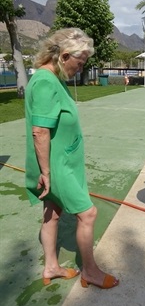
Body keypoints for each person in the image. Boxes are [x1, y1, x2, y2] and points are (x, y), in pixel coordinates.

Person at [25, 28, 119, 289]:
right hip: (57, 166)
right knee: (88, 214)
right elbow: (40, 130)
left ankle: (51, 267)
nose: (81, 68)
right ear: (64, 55)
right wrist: (46, 172)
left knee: (52, 213)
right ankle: (90, 271)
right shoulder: (45, 82)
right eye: (80, 62)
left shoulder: (53, 79)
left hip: (62, 162)